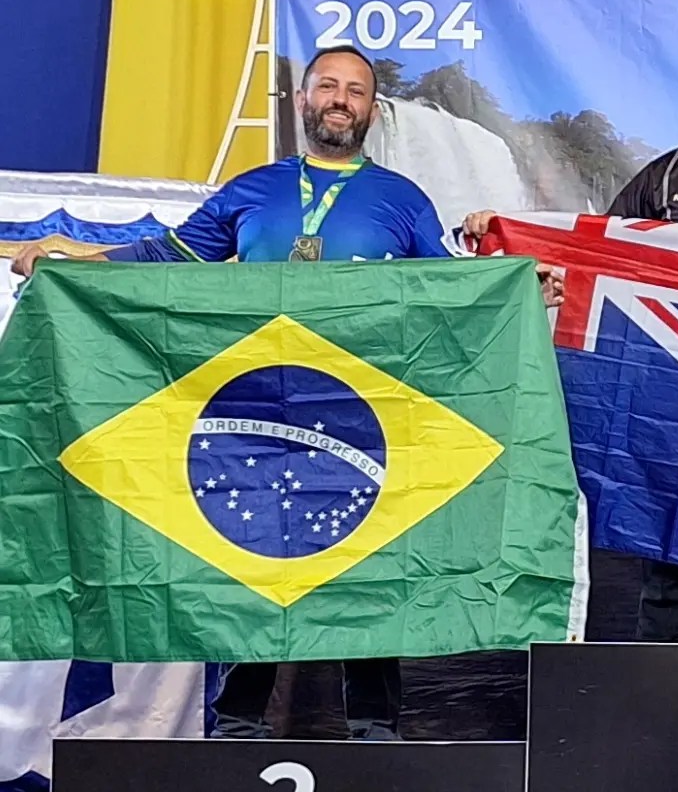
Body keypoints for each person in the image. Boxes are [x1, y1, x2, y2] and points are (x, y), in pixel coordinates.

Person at [12, 44, 559, 740]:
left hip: (363, 424)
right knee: (251, 564)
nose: (340, 100)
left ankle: (375, 733)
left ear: (372, 110)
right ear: (302, 100)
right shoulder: (253, 189)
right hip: (253, 420)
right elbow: (168, 258)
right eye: (327, 86)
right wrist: (76, 259)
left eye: (355, 91)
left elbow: (454, 293)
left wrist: (520, 287)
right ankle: (237, 728)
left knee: (372, 566)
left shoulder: (402, 200)